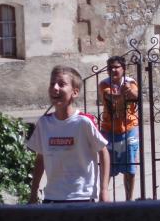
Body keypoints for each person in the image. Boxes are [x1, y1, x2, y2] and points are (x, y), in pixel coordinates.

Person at [27, 65, 110, 203]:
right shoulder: (44, 123)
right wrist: (33, 193)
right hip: (52, 197)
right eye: (52, 84)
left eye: (61, 84)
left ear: (75, 92)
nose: (55, 88)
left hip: (82, 197)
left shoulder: (84, 122)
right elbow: (40, 158)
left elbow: (103, 151)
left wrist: (104, 190)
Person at [99, 55, 139, 201]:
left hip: (129, 128)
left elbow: (136, 96)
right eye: (110, 68)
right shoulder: (104, 84)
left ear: (124, 69)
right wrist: (122, 93)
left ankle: (129, 200)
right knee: (107, 168)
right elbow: (110, 97)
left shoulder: (130, 82)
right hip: (109, 130)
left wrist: (130, 91)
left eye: (116, 67)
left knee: (130, 168)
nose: (113, 70)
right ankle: (104, 199)